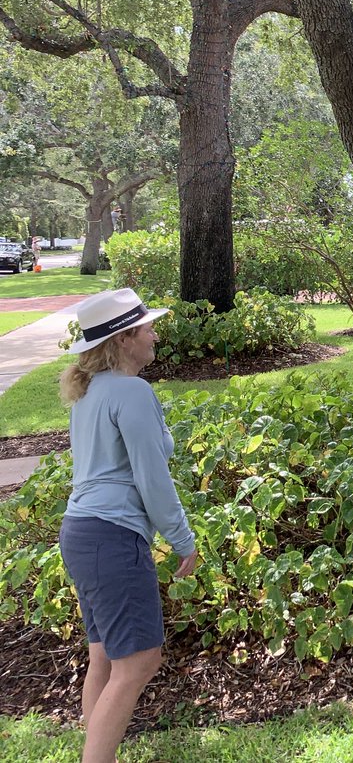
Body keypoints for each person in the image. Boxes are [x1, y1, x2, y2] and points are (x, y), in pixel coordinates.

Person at [57, 288, 198, 763]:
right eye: (148, 327)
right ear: (124, 340)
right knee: (139, 660)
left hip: (81, 532)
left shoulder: (92, 391)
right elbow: (152, 478)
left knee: (105, 655)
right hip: (111, 537)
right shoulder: (131, 391)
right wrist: (183, 540)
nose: (155, 334)